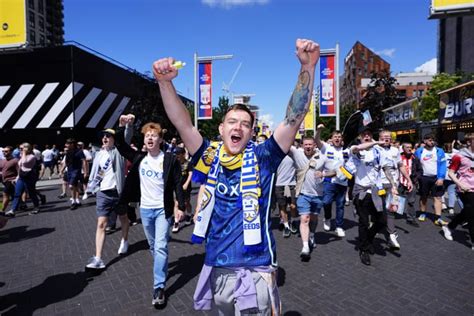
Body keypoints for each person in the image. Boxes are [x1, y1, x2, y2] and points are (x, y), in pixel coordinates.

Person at [153, 38, 319, 314]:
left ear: (252, 132)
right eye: (232, 121)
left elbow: (293, 117)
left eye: (245, 124)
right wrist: (164, 82)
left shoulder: (265, 157)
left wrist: (308, 67)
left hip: (256, 268)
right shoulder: (208, 156)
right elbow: (182, 123)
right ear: (221, 128)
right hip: (219, 265)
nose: (238, 127)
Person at [115, 115, 185, 307]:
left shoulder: (170, 160)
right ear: (144, 139)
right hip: (145, 210)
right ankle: (160, 266)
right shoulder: (139, 159)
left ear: (160, 139)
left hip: (163, 210)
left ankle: (159, 287)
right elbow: (120, 145)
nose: (150, 138)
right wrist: (122, 125)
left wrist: (181, 206)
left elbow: (178, 183)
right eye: (147, 135)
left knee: (160, 246)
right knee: (154, 246)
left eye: (154, 135)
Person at [84, 124, 133, 270]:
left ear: (114, 139)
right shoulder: (98, 154)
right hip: (103, 193)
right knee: (101, 224)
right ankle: (98, 257)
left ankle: (124, 240)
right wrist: (91, 187)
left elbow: (127, 137)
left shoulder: (119, 152)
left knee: (123, 218)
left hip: (118, 192)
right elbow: (98, 172)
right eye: (103, 136)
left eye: (108, 136)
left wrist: (128, 125)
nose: (105, 138)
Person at [350, 128, 386, 266]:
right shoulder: (355, 149)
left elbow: (386, 167)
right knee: (364, 222)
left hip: (376, 190)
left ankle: (368, 238)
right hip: (362, 191)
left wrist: (394, 185)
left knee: (382, 221)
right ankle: (364, 249)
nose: (367, 136)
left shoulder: (379, 151)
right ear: (360, 137)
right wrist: (375, 142)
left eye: (369, 134)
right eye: (364, 135)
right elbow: (358, 148)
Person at [290, 136, 327, 261]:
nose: (308, 146)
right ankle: (305, 247)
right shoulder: (297, 153)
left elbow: (335, 170)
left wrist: (324, 174)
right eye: (306, 144)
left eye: (310, 144)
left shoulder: (322, 157)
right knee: (304, 219)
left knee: (314, 218)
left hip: (318, 194)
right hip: (303, 194)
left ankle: (312, 234)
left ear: (314, 145)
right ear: (302, 145)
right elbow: (285, 141)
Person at [376, 130, 413, 250]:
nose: (386, 139)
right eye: (384, 137)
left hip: (393, 185)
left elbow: (400, 166)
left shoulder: (395, 150)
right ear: (379, 138)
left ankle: (392, 235)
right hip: (378, 184)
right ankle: (375, 227)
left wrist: (408, 179)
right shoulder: (374, 149)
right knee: (378, 209)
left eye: (388, 137)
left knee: (391, 210)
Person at [315, 124, 350, 237]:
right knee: (326, 202)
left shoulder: (346, 150)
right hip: (328, 180)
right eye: (335, 136)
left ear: (342, 139)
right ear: (332, 138)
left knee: (340, 204)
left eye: (339, 136)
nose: (337, 138)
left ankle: (339, 226)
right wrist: (319, 130)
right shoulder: (327, 147)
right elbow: (316, 140)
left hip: (342, 181)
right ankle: (327, 218)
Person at [441, 133, 474, 250]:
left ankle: (449, 227)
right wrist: (460, 184)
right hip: (465, 189)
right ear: (469, 142)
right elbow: (450, 173)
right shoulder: (459, 156)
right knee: (471, 214)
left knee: (467, 212)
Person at [414, 134, 448, 226]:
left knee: (438, 197)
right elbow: (415, 165)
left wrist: (441, 177)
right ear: (424, 141)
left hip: (436, 178)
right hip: (423, 178)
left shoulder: (439, 151)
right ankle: (423, 213)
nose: (432, 142)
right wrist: (417, 177)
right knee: (423, 196)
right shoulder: (419, 151)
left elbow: (443, 165)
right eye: (429, 140)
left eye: (433, 140)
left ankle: (438, 218)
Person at [5, 143, 41, 216]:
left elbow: (24, 163)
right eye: (19, 149)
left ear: (27, 149)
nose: (20, 150)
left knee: (31, 193)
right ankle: (13, 210)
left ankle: (36, 206)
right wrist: (17, 177)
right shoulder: (22, 156)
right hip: (21, 177)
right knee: (17, 194)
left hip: (29, 177)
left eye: (21, 149)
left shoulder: (32, 157)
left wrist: (24, 153)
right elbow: (20, 167)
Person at [399, 142, 423, 227]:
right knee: (396, 200)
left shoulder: (415, 158)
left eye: (410, 147)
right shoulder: (398, 157)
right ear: (403, 148)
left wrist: (415, 179)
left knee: (411, 201)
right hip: (399, 182)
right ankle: (392, 217)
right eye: (407, 147)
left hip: (412, 182)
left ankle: (411, 218)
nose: (409, 149)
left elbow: (420, 170)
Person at [275, 155, 298, 238]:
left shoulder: (294, 153)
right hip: (279, 184)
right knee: (282, 207)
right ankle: (286, 226)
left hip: (291, 184)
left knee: (293, 206)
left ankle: (292, 222)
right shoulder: (276, 154)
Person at [62, 139, 88, 210]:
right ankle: (76, 200)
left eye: (67, 144)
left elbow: (84, 161)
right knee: (75, 185)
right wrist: (62, 170)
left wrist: (85, 172)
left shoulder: (79, 151)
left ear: (72, 144)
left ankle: (73, 202)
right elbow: (66, 162)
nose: (66, 145)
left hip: (76, 170)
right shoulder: (68, 152)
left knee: (71, 185)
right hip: (69, 171)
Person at [172, 146, 193, 233]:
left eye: (178, 154)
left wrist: (186, 183)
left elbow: (190, 173)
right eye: (175, 154)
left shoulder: (188, 163)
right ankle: (176, 222)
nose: (176, 156)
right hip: (177, 186)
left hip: (185, 186)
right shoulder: (174, 163)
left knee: (186, 202)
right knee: (176, 203)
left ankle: (188, 215)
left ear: (183, 154)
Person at [1, 146, 19, 213]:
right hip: (4, 181)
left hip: (11, 180)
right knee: (13, 195)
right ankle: (20, 204)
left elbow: (19, 171)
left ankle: (1, 210)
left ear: (11, 152)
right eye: (3, 151)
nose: (4, 153)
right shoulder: (2, 161)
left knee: (5, 194)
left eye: (6, 151)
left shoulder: (15, 160)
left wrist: (16, 179)